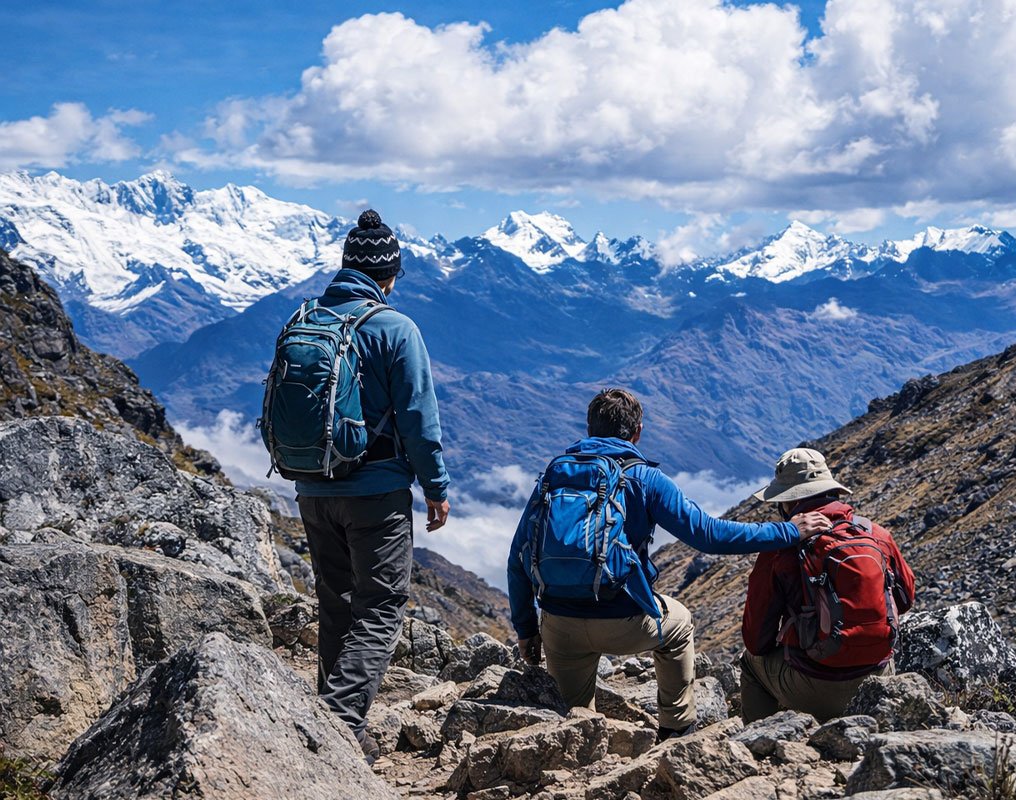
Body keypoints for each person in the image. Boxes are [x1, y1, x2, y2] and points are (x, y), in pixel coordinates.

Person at [507, 388, 833, 741]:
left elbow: (517, 559)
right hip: (624, 620)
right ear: (638, 432)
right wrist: (787, 531)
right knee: (679, 625)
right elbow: (709, 535)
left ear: (589, 429)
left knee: (574, 719)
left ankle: (579, 745)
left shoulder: (553, 477)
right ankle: (675, 731)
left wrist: (526, 631)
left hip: (559, 624)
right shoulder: (645, 479)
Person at [292, 210, 451, 763]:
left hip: (312, 489)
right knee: (381, 606)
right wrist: (435, 486)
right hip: (376, 493)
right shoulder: (394, 328)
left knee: (335, 602)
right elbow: (417, 418)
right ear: (390, 275)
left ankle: (336, 717)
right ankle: (338, 722)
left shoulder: (305, 318)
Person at [739, 447, 915, 723]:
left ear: (788, 503)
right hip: (879, 678)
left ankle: (757, 745)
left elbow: (756, 641)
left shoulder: (778, 550)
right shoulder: (876, 534)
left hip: (815, 686)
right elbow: (905, 600)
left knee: (750, 661)